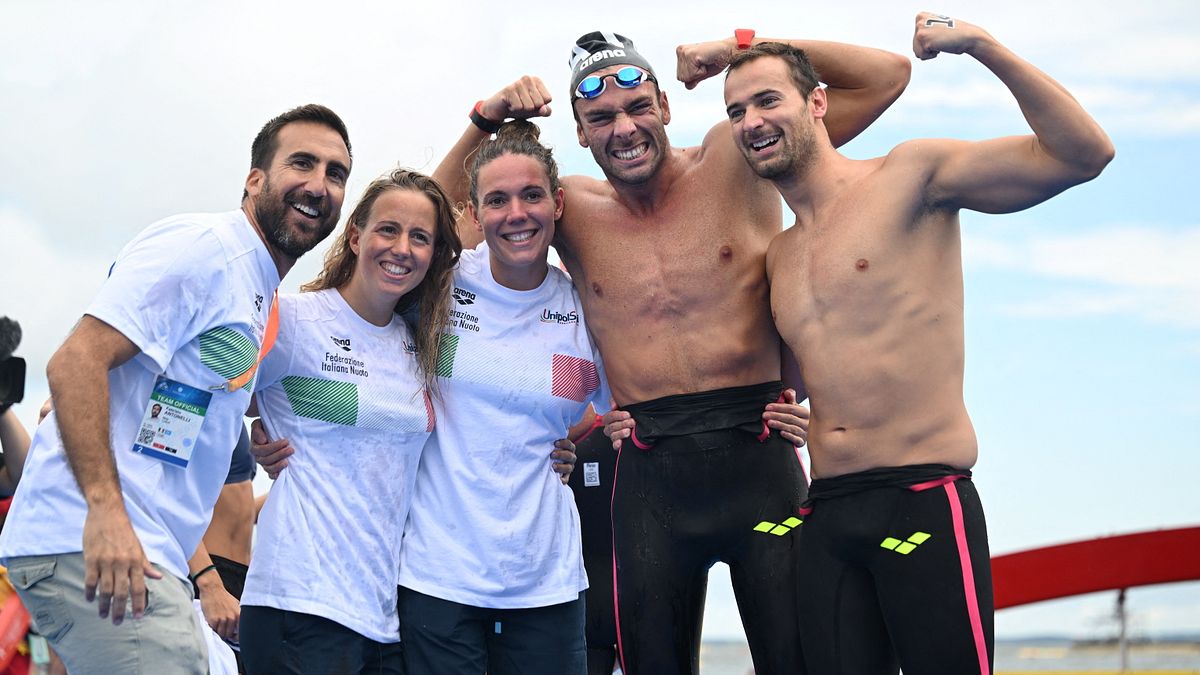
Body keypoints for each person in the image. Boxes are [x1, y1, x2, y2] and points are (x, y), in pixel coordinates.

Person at [437, 32, 908, 675]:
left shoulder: (735, 159)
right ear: (579, 132)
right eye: (601, 117)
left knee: (800, 658)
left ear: (665, 104)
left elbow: (886, 77)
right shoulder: (568, 210)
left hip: (761, 465)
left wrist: (742, 49)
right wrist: (486, 120)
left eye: (637, 107)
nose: (624, 128)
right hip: (651, 481)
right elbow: (433, 229)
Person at [717, 14, 1114, 674]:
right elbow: (786, 375)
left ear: (818, 103)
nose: (751, 120)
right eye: (736, 110)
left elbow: (1083, 154)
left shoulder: (911, 177)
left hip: (923, 499)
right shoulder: (778, 256)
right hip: (827, 515)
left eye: (767, 99)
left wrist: (981, 45)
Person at [0, 104, 353, 673]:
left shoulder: (259, 291)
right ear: (255, 179)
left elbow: (215, 395)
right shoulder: (208, 249)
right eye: (303, 163)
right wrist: (107, 514)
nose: (319, 184)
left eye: (336, 173)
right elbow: (75, 361)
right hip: (96, 539)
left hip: (155, 553)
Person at [386, 120, 607, 675]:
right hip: (439, 577)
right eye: (497, 200)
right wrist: (482, 119)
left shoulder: (584, 304)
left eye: (531, 195)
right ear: (474, 212)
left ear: (557, 203)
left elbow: (612, 401)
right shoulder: (440, 281)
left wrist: (568, 439)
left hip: (547, 580)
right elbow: (406, 212)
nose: (516, 214)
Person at [237, 167, 460, 674]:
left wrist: (558, 448)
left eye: (420, 237)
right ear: (356, 236)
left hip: (383, 619)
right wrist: (253, 430)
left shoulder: (421, 346)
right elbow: (213, 385)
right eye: (388, 229)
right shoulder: (294, 320)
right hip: (298, 603)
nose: (402, 248)